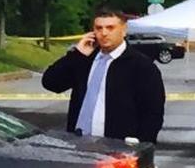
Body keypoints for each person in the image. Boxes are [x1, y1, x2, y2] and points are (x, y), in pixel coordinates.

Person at [42, 8, 165, 143]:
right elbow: (50, 83)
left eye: (110, 28)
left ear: (123, 30)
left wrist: (140, 146)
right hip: (79, 144)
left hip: (119, 148)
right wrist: (77, 54)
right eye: (99, 28)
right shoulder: (84, 60)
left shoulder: (141, 66)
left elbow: (153, 112)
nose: (104, 33)